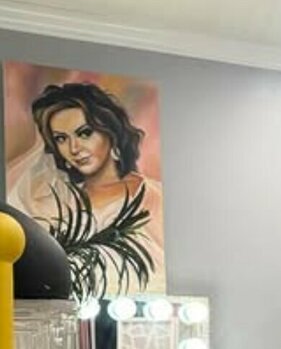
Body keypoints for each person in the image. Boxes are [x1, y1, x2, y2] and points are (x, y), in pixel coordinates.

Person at [7, 81, 165, 294]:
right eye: (61, 139)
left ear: (110, 132)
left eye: (84, 133)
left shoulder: (154, 197)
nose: (74, 148)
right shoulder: (54, 204)